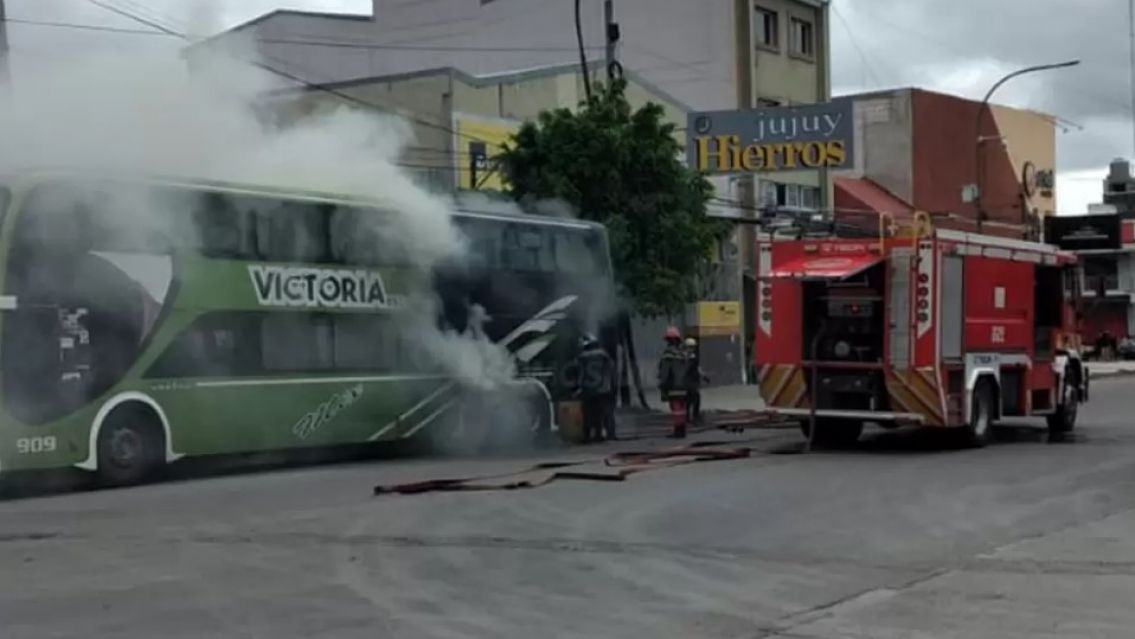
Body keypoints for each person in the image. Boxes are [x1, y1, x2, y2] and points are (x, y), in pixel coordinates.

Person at [576, 334, 615, 443]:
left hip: (588, 390)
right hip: (604, 389)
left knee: (588, 415)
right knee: (606, 413)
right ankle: (609, 435)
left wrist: (579, 388)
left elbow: (580, 374)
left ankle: (588, 437)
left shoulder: (581, 357)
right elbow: (611, 370)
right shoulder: (604, 355)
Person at [656, 326, 690, 438]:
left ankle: (678, 432)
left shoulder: (668, 355)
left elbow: (665, 373)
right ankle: (682, 430)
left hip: (672, 386)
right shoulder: (683, 354)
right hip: (684, 386)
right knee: (682, 409)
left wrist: (662, 384)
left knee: (676, 409)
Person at [683, 337, 709, 425]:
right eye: (690, 347)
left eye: (693, 347)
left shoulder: (694, 357)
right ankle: (690, 417)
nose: (691, 349)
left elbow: (698, 368)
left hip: (694, 380)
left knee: (694, 399)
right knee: (690, 399)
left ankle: (694, 416)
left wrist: (704, 376)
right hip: (687, 381)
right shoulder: (684, 357)